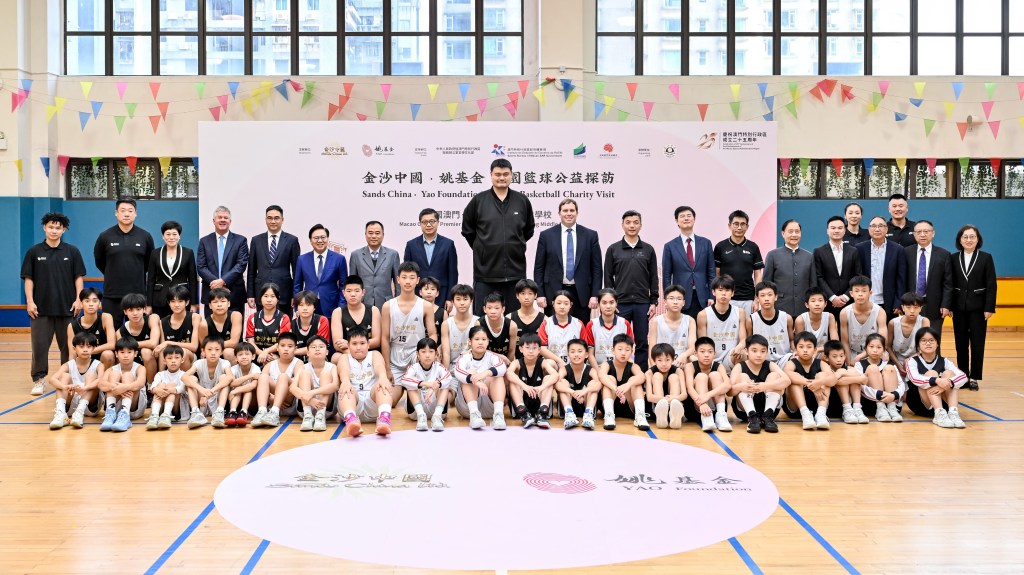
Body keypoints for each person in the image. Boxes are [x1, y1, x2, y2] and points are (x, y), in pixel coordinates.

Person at [462, 158, 535, 316]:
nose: (502, 178)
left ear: (512, 175)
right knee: (483, 322)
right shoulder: (479, 201)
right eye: (498, 174)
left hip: (515, 274)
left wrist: (514, 246)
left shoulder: (522, 201)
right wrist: (483, 248)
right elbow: (468, 230)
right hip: (485, 275)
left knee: (514, 321)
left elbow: (528, 230)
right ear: (491, 175)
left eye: (505, 174)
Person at [23, 212, 86, 395]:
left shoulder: (72, 251)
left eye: (58, 228)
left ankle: (68, 378)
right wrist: (30, 301)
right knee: (39, 347)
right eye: (50, 227)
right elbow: (28, 279)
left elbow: (78, 278)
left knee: (69, 347)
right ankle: (39, 380)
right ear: (44, 227)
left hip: (67, 309)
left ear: (63, 230)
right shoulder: (34, 252)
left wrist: (79, 299)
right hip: (40, 310)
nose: (54, 230)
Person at [604, 210, 660, 370]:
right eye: (628, 222)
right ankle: (619, 373)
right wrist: (611, 302)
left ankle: (640, 374)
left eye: (636, 222)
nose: (632, 225)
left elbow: (653, 277)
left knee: (642, 341)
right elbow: (608, 277)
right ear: (622, 225)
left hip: (642, 303)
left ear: (641, 225)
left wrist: (653, 301)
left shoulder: (648, 249)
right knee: (621, 342)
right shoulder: (613, 249)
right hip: (621, 304)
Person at [534, 198, 602, 324]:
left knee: (580, 330)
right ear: (559, 213)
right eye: (565, 211)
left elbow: (597, 268)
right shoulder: (546, 235)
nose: (569, 213)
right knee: (554, 329)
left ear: (577, 213)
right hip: (553, 292)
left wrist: (595, 294)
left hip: (581, 294)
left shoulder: (590, 235)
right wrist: (540, 293)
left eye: (572, 210)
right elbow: (539, 267)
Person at [381, 262, 438, 406]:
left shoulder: (425, 305)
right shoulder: (388, 306)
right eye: (404, 277)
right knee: (389, 402)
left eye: (412, 278)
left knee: (422, 402)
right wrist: (387, 368)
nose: (408, 281)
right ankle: (402, 389)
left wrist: (427, 354)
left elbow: (432, 334)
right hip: (395, 357)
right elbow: (385, 338)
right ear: (398, 279)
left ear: (417, 280)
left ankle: (413, 394)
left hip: (416, 355)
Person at [93, 198, 154, 326]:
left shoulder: (145, 236)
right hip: (112, 295)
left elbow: (150, 263)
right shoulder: (105, 236)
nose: (127, 214)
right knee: (111, 332)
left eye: (130, 211)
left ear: (135, 213)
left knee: (137, 332)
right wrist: (112, 272)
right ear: (116, 213)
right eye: (123, 210)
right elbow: (99, 261)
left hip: (137, 295)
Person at [949, 225, 996, 390]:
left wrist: (989, 307)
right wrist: (949, 306)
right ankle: (963, 376)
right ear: (960, 240)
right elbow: (949, 283)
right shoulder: (953, 258)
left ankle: (974, 377)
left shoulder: (986, 258)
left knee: (977, 343)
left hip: (979, 308)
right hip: (958, 308)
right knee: (960, 343)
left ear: (978, 239)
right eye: (965, 237)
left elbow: (991, 284)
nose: (968, 240)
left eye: (972, 237)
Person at [904, 327, 969, 428]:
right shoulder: (911, 361)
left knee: (949, 373)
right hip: (920, 404)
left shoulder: (945, 361)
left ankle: (953, 412)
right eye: (923, 340)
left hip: (944, 404)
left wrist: (948, 383)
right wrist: (937, 380)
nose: (928, 343)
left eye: (931, 340)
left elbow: (964, 377)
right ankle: (938, 413)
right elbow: (915, 379)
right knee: (931, 373)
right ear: (918, 345)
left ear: (937, 343)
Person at [337, 327, 396, 436]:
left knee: (382, 385)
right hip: (353, 404)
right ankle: (351, 421)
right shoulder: (344, 357)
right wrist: (345, 381)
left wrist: (383, 377)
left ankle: (384, 418)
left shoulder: (374, 354)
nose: (358, 347)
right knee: (346, 388)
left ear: (368, 344)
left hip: (372, 404)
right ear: (348, 345)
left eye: (362, 343)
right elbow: (343, 371)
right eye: (354, 344)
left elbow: (379, 366)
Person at [662, 206, 715, 319]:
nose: (686, 218)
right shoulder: (670, 246)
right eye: (682, 216)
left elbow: (711, 272)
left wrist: (712, 295)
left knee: (702, 329)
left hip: (703, 298)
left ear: (694, 219)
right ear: (677, 221)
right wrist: (669, 298)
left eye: (689, 216)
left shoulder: (706, 243)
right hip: (680, 298)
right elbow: (666, 275)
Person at [730, 334, 789, 434]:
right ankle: (752, 418)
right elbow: (729, 392)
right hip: (744, 411)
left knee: (775, 376)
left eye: (762, 351)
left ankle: (767, 416)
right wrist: (742, 386)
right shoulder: (739, 366)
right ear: (746, 351)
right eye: (754, 351)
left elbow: (787, 381)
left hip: (769, 410)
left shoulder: (770, 364)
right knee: (742, 377)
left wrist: (764, 386)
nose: (758, 355)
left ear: (767, 352)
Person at [248, 205, 300, 315]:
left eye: (276, 218)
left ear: (282, 220)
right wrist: (250, 294)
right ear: (265, 220)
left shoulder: (292, 240)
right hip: (261, 294)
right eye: (269, 218)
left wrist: (295, 295)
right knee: (261, 324)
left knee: (284, 325)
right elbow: (251, 271)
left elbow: (297, 271)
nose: (273, 221)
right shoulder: (256, 240)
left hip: (285, 295)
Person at [197, 206, 249, 314]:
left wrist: (223, 281)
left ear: (230, 221)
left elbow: (241, 264)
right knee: (210, 325)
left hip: (234, 295)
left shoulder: (240, 240)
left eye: (225, 218)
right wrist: (217, 284)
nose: (222, 220)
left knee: (235, 324)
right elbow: (201, 267)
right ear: (213, 221)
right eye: (219, 217)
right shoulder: (204, 241)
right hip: (211, 295)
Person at [454, 326, 508, 430]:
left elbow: (502, 367)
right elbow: (458, 371)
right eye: (477, 339)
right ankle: (474, 415)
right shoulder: (464, 358)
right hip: (467, 409)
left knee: (497, 376)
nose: (480, 342)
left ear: (488, 342)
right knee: (469, 374)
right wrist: (477, 381)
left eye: (483, 339)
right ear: (469, 342)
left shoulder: (492, 357)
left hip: (490, 407)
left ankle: (498, 415)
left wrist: (485, 374)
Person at [713, 210, 765, 315]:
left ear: (747, 226)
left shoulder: (753, 247)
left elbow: (758, 274)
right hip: (726, 298)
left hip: (748, 298)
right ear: (729, 226)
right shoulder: (720, 246)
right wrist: (719, 295)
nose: (739, 227)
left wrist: (757, 298)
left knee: (747, 325)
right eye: (736, 224)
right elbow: (716, 273)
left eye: (742, 224)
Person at [763, 219, 817, 319]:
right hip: (780, 307)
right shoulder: (773, 255)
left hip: (803, 308)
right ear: (783, 233)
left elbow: (813, 284)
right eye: (790, 231)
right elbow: (767, 283)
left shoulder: (809, 256)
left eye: (797, 231)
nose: (794, 235)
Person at [782, 331, 836, 430]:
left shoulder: (821, 363)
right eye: (801, 347)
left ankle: (821, 414)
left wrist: (819, 382)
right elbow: (787, 374)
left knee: (824, 376)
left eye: (809, 347)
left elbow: (833, 380)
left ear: (815, 350)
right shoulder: (791, 363)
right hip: (795, 409)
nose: (805, 350)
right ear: (795, 349)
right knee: (794, 380)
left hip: (817, 404)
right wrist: (812, 385)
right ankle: (805, 414)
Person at [48, 332, 103, 430]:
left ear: (94, 348)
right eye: (81, 346)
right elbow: (52, 379)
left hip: (90, 406)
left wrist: (85, 388)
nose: (85, 349)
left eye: (89, 346)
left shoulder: (98, 364)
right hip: (70, 404)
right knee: (64, 376)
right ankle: (61, 413)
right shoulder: (68, 364)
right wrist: (65, 387)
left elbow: (102, 381)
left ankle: (79, 412)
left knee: (92, 376)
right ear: (74, 348)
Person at [904, 220, 953, 330]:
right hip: (911, 304)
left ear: (933, 233)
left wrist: (946, 305)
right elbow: (901, 279)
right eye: (919, 232)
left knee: (933, 337)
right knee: (912, 336)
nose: (922, 235)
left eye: (926, 231)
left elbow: (948, 283)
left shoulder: (944, 254)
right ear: (914, 234)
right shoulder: (906, 252)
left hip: (935, 306)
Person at [856, 216, 907, 320]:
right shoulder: (859, 248)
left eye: (881, 226)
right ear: (869, 229)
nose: (877, 229)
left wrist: (898, 301)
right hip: (865, 300)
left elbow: (901, 279)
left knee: (887, 329)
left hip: (889, 302)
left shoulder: (898, 249)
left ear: (886, 229)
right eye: (873, 226)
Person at [404, 208, 458, 307]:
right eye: (424, 222)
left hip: (441, 294)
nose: (428, 225)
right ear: (420, 224)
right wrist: (408, 296)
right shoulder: (411, 245)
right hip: (417, 294)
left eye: (432, 221)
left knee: (440, 318)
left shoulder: (448, 244)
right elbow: (407, 273)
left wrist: (450, 298)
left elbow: (453, 273)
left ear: (438, 222)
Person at [813, 216, 863, 321]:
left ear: (845, 230)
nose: (836, 231)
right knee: (828, 330)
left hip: (849, 301)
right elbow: (818, 277)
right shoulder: (818, 252)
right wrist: (832, 297)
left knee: (847, 330)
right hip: (827, 301)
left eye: (840, 228)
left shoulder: (853, 251)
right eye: (833, 228)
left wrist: (846, 296)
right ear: (827, 231)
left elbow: (857, 276)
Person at [293, 224, 348, 318]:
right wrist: (297, 307)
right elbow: (297, 286)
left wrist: (341, 307)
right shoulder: (302, 259)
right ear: (310, 240)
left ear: (327, 239)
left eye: (323, 237)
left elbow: (343, 286)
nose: (320, 241)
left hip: (332, 306)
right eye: (316, 238)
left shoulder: (339, 259)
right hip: (308, 306)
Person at [399, 337, 453, 432]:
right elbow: (404, 380)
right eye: (423, 352)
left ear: (436, 354)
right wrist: (426, 384)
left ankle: (436, 416)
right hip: (416, 411)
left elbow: (449, 377)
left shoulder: (439, 367)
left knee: (444, 385)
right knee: (411, 384)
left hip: (437, 408)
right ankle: (421, 416)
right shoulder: (413, 367)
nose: (427, 355)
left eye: (431, 352)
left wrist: (435, 386)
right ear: (417, 354)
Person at [146, 220, 198, 318]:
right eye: (168, 234)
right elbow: (150, 280)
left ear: (179, 236)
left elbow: (192, 280)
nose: (171, 237)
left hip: (182, 298)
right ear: (163, 236)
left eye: (174, 234)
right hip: (160, 299)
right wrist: (149, 304)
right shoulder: (155, 253)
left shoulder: (188, 253)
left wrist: (193, 303)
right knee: (160, 325)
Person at [598, 334, 649, 431]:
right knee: (610, 378)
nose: (623, 353)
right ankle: (609, 416)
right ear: (613, 350)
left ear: (632, 351)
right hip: (609, 402)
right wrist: (616, 389)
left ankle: (640, 416)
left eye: (627, 350)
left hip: (628, 406)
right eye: (620, 349)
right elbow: (601, 376)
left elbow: (642, 377)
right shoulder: (606, 364)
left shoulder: (633, 366)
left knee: (634, 381)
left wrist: (627, 385)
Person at [251, 332, 303, 428]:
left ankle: (275, 412)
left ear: (295, 349)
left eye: (290, 346)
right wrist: (270, 397)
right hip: (271, 402)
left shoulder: (298, 363)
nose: (286, 349)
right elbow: (261, 382)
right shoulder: (270, 365)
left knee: (283, 377)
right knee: (263, 377)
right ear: (277, 348)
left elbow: (297, 384)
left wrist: (276, 397)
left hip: (290, 402)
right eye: (282, 346)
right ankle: (262, 411)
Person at [506, 334, 558, 428]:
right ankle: (524, 414)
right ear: (521, 349)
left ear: (539, 350)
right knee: (513, 379)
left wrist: (541, 387)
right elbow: (508, 373)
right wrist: (524, 386)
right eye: (527, 347)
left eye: (534, 348)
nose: (531, 351)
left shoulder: (543, 362)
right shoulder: (517, 363)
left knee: (548, 378)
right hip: (522, 402)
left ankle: (542, 413)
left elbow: (555, 375)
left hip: (539, 400)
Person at [697, 275, 748, 372]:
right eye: (720, 290)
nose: (723, 293)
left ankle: (736, 377)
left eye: (727, 290)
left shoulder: (740, 312)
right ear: (713, 292)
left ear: (732, 293)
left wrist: (740, 347)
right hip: (711, 359)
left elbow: (743, 340)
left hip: (731, 356)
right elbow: (703, 343)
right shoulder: (703, 314)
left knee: (743, 353)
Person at [683, 337, 733, 432]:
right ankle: (706, 418)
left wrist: (708, 395)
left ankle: (721, 416)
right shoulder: (690, 366)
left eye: (710, 352)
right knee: (701, 376)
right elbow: (689, 388)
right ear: (695, 353)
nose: (706, 355)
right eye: (702, 351)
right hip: (696, 409)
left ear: (714, 353)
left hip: (716, 408)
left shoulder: (719, 366)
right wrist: (701, 403)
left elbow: (728, 385)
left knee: (715, 375)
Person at [182, 336, 233, 429]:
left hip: (217, 397)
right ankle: (196, 412)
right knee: (191, 379)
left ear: (222, 352)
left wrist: (211, 392)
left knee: (224, 377)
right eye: (209, 349)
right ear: (203, 351)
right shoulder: (199, 363)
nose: (213, 353)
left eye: (217, 349)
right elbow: (184, 377)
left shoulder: (225, 363)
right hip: (201, 398)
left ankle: (219, 412)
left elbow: (230, 377)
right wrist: (201, 390)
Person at [99, 337, 148, 432]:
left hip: (134, 408)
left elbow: (141, 383)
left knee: (128, 375)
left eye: (129, 352)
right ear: (116, 354)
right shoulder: (111, 369)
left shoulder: (140, 368)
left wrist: (124, 387)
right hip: (117, 406)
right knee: (114, 375)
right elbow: (101, 384)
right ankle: (110, 414)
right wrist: (114, 387)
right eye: (122, 352)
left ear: (135, 353)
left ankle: (125, 414)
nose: (126, 355)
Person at [348, 221, 400, 310]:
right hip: (363, 303)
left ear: (383, 235)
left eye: (377, 233)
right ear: (365, 234)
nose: (374, 236)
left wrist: (398, 303)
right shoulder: (356, 255)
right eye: (370, 233)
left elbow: (398, 283)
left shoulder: (392, 255)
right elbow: (352, 283)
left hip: (386, 304)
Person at [291, 336, 339, 432]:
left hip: (326, 408)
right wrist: (310, 400)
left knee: (325, 373)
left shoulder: (332, 367)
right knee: (305, 374)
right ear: (308, 353)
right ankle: (308, 416)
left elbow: (335, 386)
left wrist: (313, 393)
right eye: (313, 347)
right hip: (306, 406)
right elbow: (292, 388)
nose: (317, 349)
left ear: (327, 352)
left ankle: (320, 416)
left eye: (321, 346)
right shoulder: (303, 367)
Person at [854, 333, 905, 423]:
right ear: (866, 348)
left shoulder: (890, 365)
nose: (875, 350)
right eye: (871, 347)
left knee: (889, 368)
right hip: (870, 404)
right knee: (873, 368)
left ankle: (892, 409)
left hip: (891, 401)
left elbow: (901, 384)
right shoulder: (859, 365)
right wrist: (880, 395)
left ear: (884, 349)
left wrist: (894, 395)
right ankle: (880, 408)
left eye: (879, 347)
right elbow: (860, 387)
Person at [330, 275, 382, 360]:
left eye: (357, 291)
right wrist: (354, 353)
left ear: (363, 292)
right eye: (349, 291)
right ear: (343, 293)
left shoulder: (374, 310)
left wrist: (351, 344)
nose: (353, 294)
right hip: (347, 353)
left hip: (369, 352)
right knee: (335, 358)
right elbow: (337, 344)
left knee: (377, 356)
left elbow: (377, 341)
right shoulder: (338, 312)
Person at [840, 275, 887, 365]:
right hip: (852, 353)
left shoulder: (880, 312)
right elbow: (845, 342)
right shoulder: (844, 313)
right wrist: (849, 363)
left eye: (864, 291)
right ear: (851, 293)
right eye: (856, 291)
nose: (860, 294)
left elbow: (883, 340)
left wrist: (861, 356)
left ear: (870, 293)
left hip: (875, 353)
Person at [746, 281, 794, 368]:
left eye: (770, 295)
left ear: (776, 297)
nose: (766, 299)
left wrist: (796, 352)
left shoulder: (787, 318)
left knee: (797, 359)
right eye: (762, 295)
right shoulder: (751, 320)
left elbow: (792, 340)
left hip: (783, 359)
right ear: (757, 298)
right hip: (761, 361)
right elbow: (748, 343)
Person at [556, 339, 601, 430]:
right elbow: (556, 385)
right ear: (568, 354)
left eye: (580, 351)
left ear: (586, 354)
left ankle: (588, 414)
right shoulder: (564, 369)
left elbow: (599, 385)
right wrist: (573, 392)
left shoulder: (591, 370)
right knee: (562, 382)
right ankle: (569, 414)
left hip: (585, 403)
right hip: (569, 403)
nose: (576, 354)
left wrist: (584, 391)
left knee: (593, 383)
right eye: (572, 352)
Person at [582, 288, 633, 368]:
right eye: (604, 303)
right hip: (597, 367)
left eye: (611, 302)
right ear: (599, 304)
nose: (608, 306)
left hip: (619, 367)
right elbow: (590, 354)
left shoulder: (624, 324)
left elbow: (628, 351)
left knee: (638, 372)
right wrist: (598, 372)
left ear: (616, 303)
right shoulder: (591, 325)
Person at [822, 340, 869, 424]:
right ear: (826, 357)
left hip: (851, 408)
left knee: (850, 379)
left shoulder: (850, 369)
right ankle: (847, 409)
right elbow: (833, 381)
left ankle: (857, 409)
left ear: (845, 356)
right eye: (834, 356)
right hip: (833, 404)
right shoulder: (825, 369)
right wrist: (858, 379)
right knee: (845, 380)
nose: (839, 359)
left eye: (841, 356)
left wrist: (843, 374)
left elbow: (864, 380)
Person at [68, 287, 116, 369]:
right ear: (81, 304)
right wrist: (71, 370)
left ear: (100, 304)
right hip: (83, 360)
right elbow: (72, 353)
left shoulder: (106, 317)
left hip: (101, 359)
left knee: (108, 354)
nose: (91, 304)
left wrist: (88, 351)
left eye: (95, 301)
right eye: (87, 301)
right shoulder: (72, 326)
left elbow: (112, 344)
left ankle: (104, 376)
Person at [649, 284, 696, 367]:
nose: (675, 302)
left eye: (679, 299)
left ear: (684, 302)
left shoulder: (690, 320)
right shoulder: (656, 321)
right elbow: (651, 349)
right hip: (662, 365)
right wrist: (654, 368)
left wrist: (684, 355)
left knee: (694, 359)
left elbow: (692, 348)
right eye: (671, 298)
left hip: (682, 363)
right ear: (665, 302)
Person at [156, 285, 201, 371]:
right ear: (169, 303)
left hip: (190, 357)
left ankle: (185, 379)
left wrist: (168, 342)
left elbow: (194, 347)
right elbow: (163, 349)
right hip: (171, 359)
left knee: (182, 352)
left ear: (187, 302)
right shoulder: (163, 322)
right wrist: (161, 373)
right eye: (173, 301)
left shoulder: (195, 317)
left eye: (180, 301)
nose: (176, 305)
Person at [117, 293, 161, 383]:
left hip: (153, 359)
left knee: (146, 352)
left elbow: (153, 343)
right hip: (132, 362)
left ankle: (151, 386)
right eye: (130, 310)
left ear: (144, 309)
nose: (135, 313)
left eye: (138, 309)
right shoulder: (120, 332)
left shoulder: (152, 318)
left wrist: (130, 345)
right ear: (125, 312)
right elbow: (121, 353)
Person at [246, 283, 292, 366]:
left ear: (278, 299)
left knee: (273, 360)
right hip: (256, 353)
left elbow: (282, 342)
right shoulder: (252, 317)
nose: (269, 300)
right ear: (260, 298)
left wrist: (266, 352)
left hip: (274, 355)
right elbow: (250, 341)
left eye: (273, 296)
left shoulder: (284, 318)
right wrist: (261, 353)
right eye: (266, 296)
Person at [887, 292, 930, 381]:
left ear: (921, 308)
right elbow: (888, 346)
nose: (912, 311)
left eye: (916, 307)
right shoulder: (893, 323)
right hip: (897, 361)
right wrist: (898, 365)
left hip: (918, 359)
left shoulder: (924, 321)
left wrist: (908, 361)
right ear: (902, 307)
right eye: (908, 307)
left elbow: (925, 346)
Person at [538, 290, 584, 366]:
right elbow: (542, 349)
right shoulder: (546, 323)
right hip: (553, 365)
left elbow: (584, 348)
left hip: (574, 364)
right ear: (553, 304)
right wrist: (559, 361)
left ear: (571, 305)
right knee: (549, 363)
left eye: (566, 303)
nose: (562, 307)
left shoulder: (578, 324)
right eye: (559, 303)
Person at [645, 343, 685, 430]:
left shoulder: (678, 371)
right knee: (657, 375)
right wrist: (664, 400)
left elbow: (684, 394)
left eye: (667, 360)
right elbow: (649, 397)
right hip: (657, 406)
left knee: (673, 376)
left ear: (673, 359)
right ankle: (661, 414)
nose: (664, 364)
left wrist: (674, 399)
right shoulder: (649, 373)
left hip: (674, 403)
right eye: (660, 360)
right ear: (654, 360)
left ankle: (674, 415)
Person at [146, 344, 186, 430]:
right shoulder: (160, 374)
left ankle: (166, 415)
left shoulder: (183, 374)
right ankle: (154, 416)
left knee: (171, 385)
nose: (173, 361)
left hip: (176, 409)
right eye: (170, 358)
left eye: (177, 357)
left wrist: (171, 389)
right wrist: (157, 390)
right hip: (161, 405)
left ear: (182, 360)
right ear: (164, 361)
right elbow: (152, 386)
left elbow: (183, 388)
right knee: (160, 385)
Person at [201, 287, 244, 364]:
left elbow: (234, 343)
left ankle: (234, 372)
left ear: (229, 303)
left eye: (223, 301)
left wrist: (212, 345)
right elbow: (204, 346)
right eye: (215, 302)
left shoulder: (236, 316)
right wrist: (213, 349)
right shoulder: (204, 324)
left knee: (228, 352)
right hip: (213, 353)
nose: (219, 305)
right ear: (210, 305)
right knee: (205, 355)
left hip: (233, 352)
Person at [793, 287, 838, 356]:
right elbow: (799, 345)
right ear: (807, 305)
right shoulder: (801, 320)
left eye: (820, 300)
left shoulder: (829, 317)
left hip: (823, 354)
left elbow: (835, 342)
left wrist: (818, 349)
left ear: (825, 304)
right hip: (806, 355)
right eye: (813, 301)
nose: (817, 304)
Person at [225, 342, 261, 428]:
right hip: (235, 400)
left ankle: (244, 412)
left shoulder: (256, 368)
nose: (244, 357)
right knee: (238, 388)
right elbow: (232, 383)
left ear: (253, 356)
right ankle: (232, 412)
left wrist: (235, 391)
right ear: (235, 358)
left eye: (247, 354)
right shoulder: (233, 369)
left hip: (252, 402)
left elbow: (253, 385)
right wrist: (250, 376)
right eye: (240, 354)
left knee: (247, 390)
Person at [478, 292, 518, 366]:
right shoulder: (479, 324)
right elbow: (478, 348)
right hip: (485, 362)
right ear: (484, 309)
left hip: (505, 363)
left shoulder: (512, 326)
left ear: (503, 309)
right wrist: (500, 356)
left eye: (497, 308)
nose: (493, 312)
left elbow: (511, 350)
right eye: (489, 308)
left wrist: (507, 366)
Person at [291, 291, 331, 359]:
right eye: (301, 305)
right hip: (295, 359)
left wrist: (294, 351)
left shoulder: (322, 320)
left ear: (314, 307)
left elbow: (319, 346)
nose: (305, 308)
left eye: (309, 305)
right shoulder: (291, 324)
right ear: (297, 307)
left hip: (317, 357)